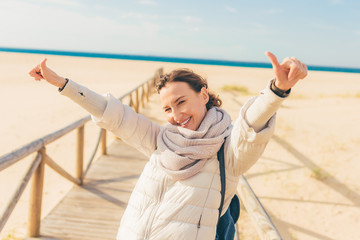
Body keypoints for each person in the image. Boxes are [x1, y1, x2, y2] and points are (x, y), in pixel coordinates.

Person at [28, 51, 307, 240]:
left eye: (181, 101)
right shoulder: (161, 140)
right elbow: (112, 114)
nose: (176, 115)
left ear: (203, 94)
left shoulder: (229, 152)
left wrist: (276, 92)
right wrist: (61, 83)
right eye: (167, 109)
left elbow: (250, 128)